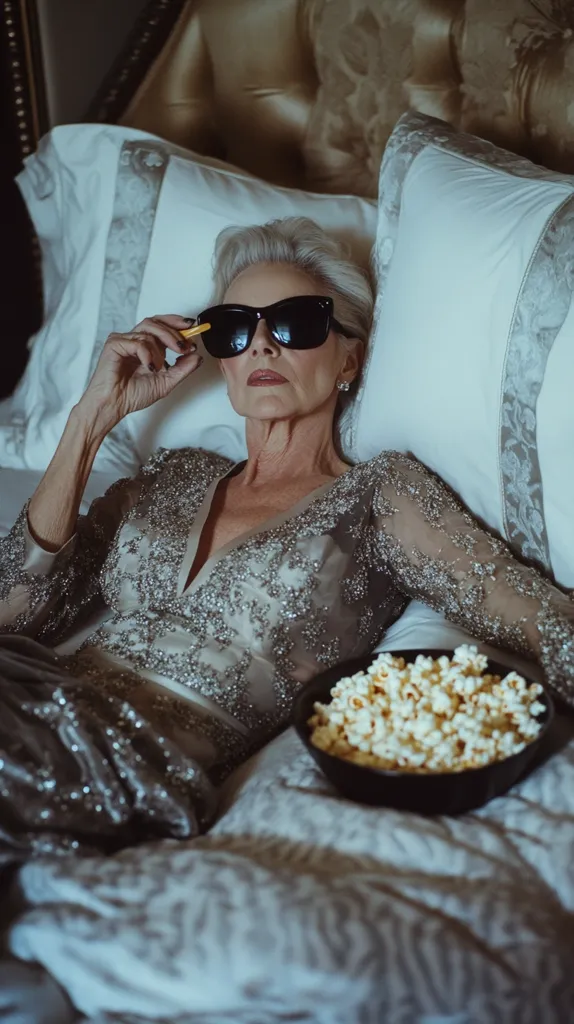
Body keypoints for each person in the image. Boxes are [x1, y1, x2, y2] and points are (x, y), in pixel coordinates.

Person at [1, 216, 573, 863]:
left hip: (125, 766)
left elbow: (543, 622)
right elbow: (13, 614)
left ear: (349, 357)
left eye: (297, 322)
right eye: (235, 328)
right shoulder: (169, 474)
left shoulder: (380, 495)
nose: (263, 345)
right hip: (29, 701)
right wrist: (90, 418)